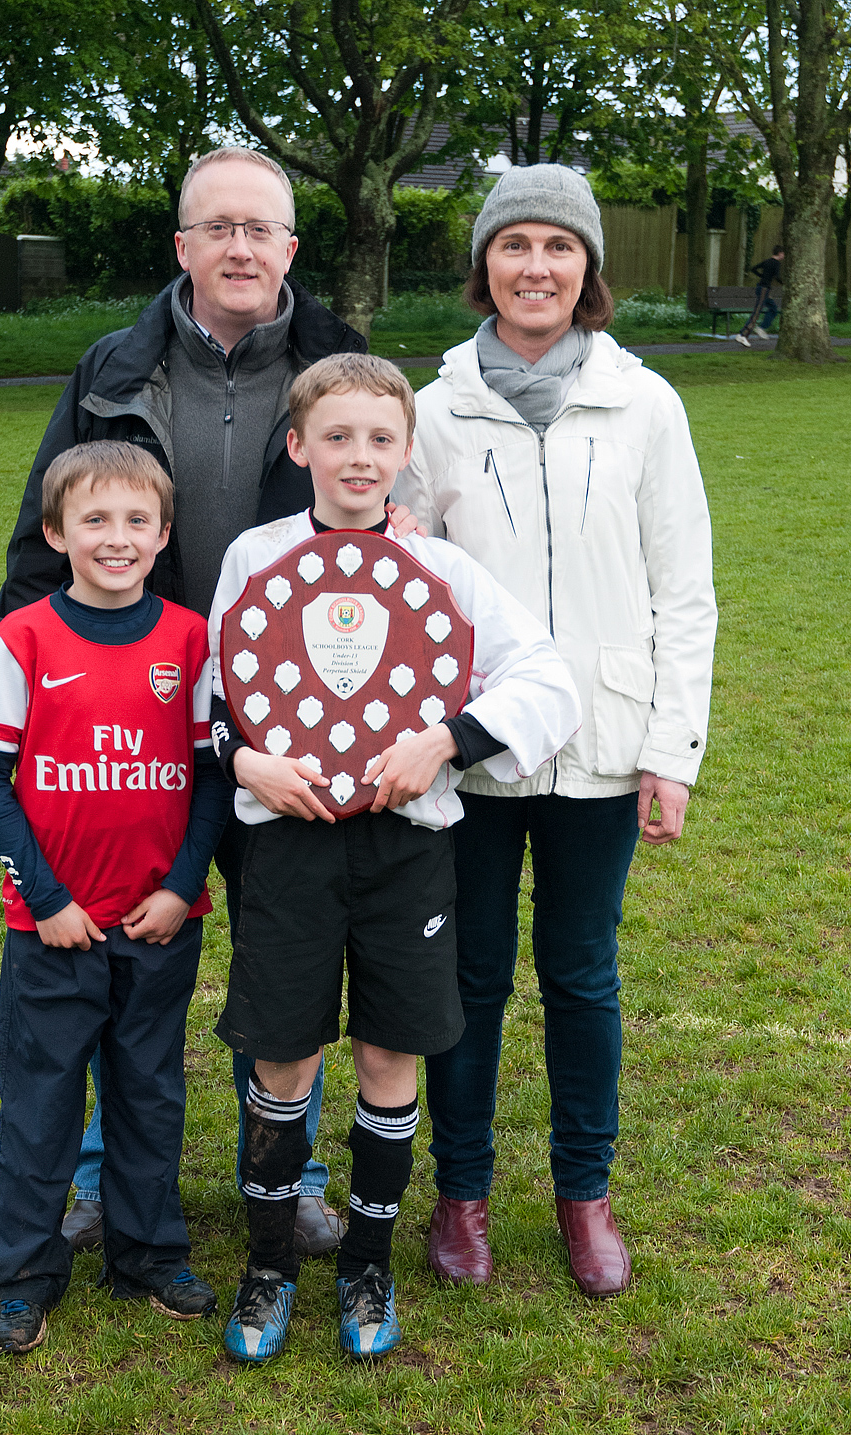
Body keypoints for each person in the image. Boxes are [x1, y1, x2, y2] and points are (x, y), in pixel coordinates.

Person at [0, 146, 411, 1260]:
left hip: (291, 737)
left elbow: (398, 543)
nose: (239, 246)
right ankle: (93, 1179)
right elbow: (44, 549)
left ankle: (289, 1176)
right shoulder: (109, 367)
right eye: (216, 226)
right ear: (181, 247)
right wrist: (34, 697)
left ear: (289, 247)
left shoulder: (342, 363)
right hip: (135, 730)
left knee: (285, 961)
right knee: (104, 953)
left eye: (259, 228)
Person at [205, 353, 581, 1363]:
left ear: (407, 452)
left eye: (379, 438)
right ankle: (270, 1262)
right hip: (286, 842)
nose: (358, 456)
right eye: (336, 436)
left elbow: (547, 680)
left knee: (386, 1054)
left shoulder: (444, 571)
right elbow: (209, 696)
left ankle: (367, 1261)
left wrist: (447, 738)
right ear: (298, 448)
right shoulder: (254, 558)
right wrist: (244, 756)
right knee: (283, 1054)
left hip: (404, 849)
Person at [394, 164, 718, 1296]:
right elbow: (400, 583)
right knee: (469, 979)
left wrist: (670, 750)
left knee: (581, 976)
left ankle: (585, 1198)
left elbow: (685, 589)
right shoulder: (427, 410)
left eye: (558, 247)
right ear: (482, 264)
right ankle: (462, 1197)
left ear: (588, 269)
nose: (536, 266)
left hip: (600, 747)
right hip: (470, 752)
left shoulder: (644, 402)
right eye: (514, 244)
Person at [0, 441, 233, 1352]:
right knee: (41, 1101)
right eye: (94, 520)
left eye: (135, 521)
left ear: (163, 535)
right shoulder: (25, 637)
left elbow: (209, 778)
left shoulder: (190, 639)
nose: (115, 538)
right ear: (56, 531)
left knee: (150, 1093)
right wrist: (43, 896)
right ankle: (26, 1271)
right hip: (52, 925)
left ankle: (148, 1253)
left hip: (157, 922)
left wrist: (183, 885)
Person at [735, 245, 784, 345]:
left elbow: (753, 269)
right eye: (783, 254)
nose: (784, 256)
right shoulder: (776, 263)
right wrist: (784, 283)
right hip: (764, 290)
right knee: (757, 312)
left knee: (773, 308)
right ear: (779, 253)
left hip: (761, 288)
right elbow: (777, 277)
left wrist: (762, 276)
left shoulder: (766, 261)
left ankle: (761, 328)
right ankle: (742, 335)